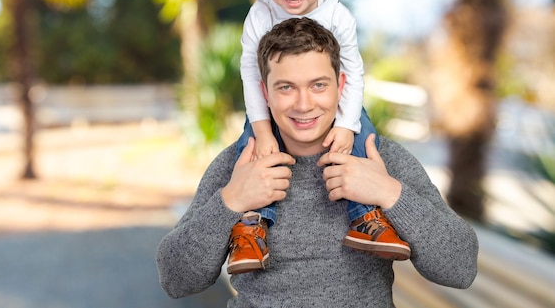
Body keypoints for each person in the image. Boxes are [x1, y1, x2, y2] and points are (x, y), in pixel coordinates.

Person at [156, 17, 479, 307]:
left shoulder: (380, 157)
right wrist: (230, 201)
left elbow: (460, 269)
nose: (304, 104)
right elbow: (176, 280)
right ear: (264, 94)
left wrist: (389, 193)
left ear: (341, 87)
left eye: (318, 85)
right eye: (285, 88)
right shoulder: (238, 165)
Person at [231, 0, 407, 274]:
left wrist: (346, 124)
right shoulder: (259, 15)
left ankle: (366, 217)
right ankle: (252, 226)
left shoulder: (338, 16)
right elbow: (251, 76)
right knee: (250, 147)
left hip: (340, 108)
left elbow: (354, 73)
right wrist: (264, 132)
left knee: (362, 137)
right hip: (269, 110)